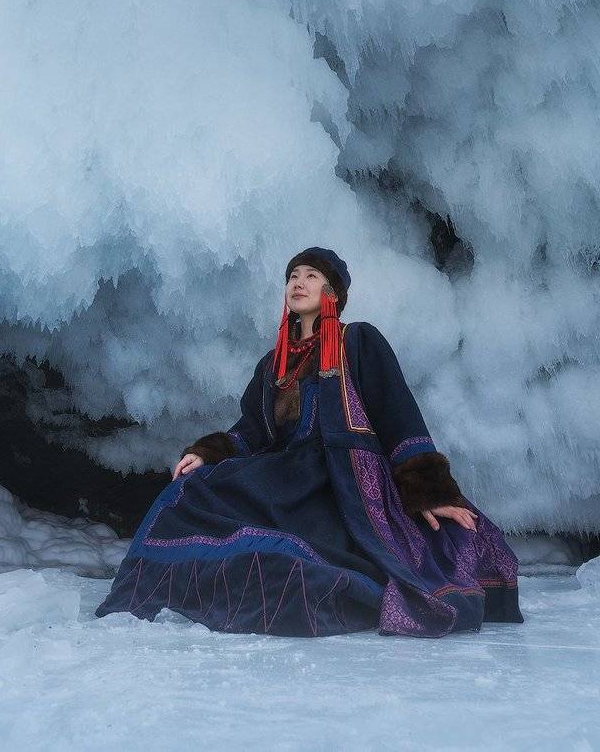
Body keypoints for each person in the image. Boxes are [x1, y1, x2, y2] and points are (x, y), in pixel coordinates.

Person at [94, 247, 523, 637]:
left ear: (332, 291)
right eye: (293, 275)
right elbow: (253, 433)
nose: (298, 282)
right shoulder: (273, 365)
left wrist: (429, 492)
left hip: (345, 480)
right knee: (191, 490)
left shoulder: (359, 340)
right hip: (288, 476)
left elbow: (398, 413)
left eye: (312, 276)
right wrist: (208, 452)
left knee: (315, 563)